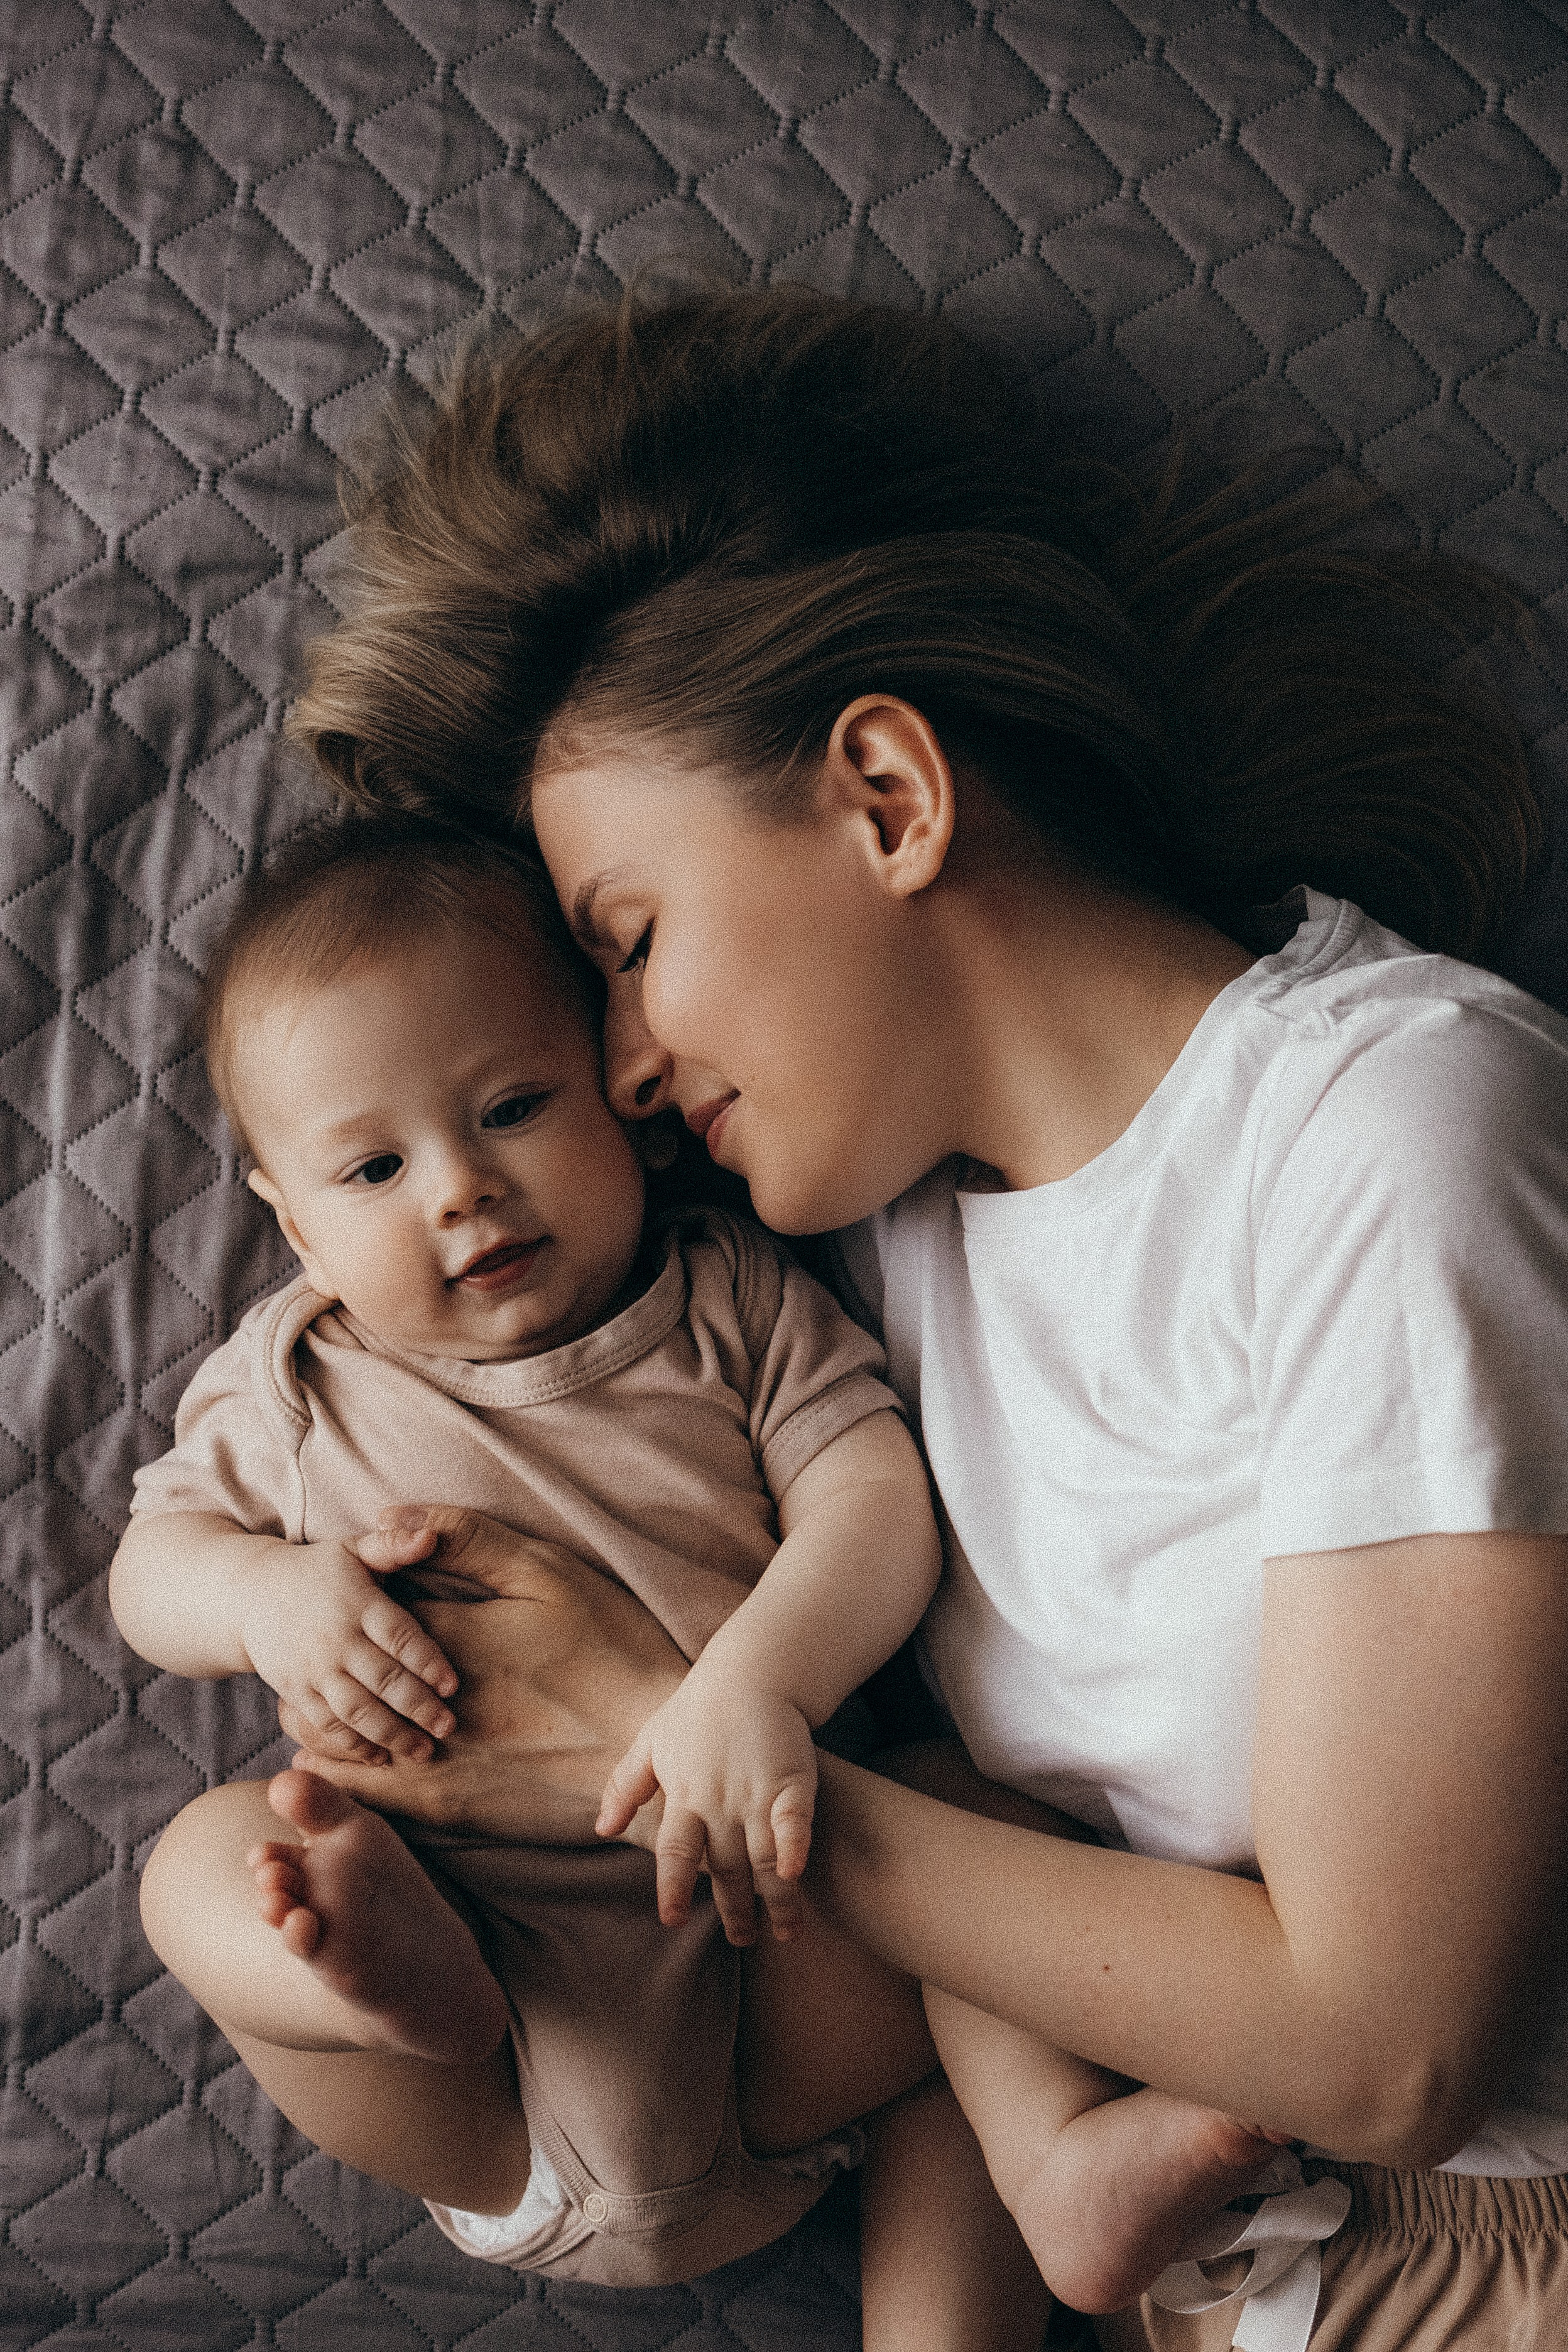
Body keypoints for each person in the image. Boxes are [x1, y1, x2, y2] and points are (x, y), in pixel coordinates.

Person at [275, 286, 1568, 2351]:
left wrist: (644, 1733)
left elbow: (1388, 2040)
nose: (615, 1063)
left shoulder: (1388, 1124)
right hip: (1244, 2288)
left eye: (625, 942)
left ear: (884, 793)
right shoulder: (877, 1269)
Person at [114, 816, 1280, 2338]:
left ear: (623, 1097)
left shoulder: (729, 1305)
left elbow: (873, 1503)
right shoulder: (294, 1382)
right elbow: (152, 1571)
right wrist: (264, 1599)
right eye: (376, 1165)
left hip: (768, 1950)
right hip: (488, 2038)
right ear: (293, 1218)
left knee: (989, 1835)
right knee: (204, 1868)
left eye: (516, 1107)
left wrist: (756, 1685)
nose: (462, 1189)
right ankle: (382, 1990)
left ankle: (1047, 2163)